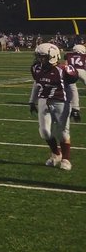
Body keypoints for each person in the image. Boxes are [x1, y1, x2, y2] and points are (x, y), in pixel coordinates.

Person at [29, 43, 79, 171]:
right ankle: (56, 154)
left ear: (52, 56)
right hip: (43, 100)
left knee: (62, 132)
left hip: (61, 102)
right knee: (44, 132)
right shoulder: (37, 68)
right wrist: (32, 101)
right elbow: (36, 84)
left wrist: (75, 107)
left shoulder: (64, 70)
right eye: (39, 57)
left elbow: (73, 88)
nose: (40, 60)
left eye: (43, 57)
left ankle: (66, 159)